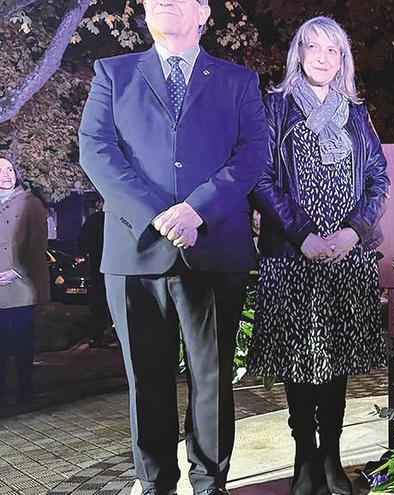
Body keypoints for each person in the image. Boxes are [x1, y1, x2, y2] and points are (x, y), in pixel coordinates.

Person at [78, 0, 267, 492]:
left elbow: (252, 155)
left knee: (213, 379)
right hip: (135, 250)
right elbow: (96, 149)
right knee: (147, 380)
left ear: (204, 11)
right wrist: (156, 214)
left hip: (214, 248)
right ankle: (155, 483)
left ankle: (210, 484)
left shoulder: (238, 81)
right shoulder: (112, 73)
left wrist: (197, 209)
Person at [247, 16, 389, 495]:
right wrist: (303, 234)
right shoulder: (276, 107)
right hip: (292, 255)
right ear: (299, 54)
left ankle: (332, 455)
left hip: (346, 256)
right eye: (314, 49)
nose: (323, 58)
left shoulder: (356, 113)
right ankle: (304, 457)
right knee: (300, 361)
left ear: (343, 59)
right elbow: (261, 179)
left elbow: (378, 180)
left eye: (334, 50)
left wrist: (354, 231)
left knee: (337, 360)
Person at [0, 155, 49, 404]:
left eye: (9, 169)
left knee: (22, 339)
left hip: (21, 286)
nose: (5, 175)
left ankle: (25, 387)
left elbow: (38, 243)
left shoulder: (31, 203)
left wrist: (16, 270)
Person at [79, 197, 111, 347]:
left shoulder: (93, 220)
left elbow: (83, 241)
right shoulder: (113, 219)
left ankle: (97, 336)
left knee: (98, 303)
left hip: (98, 266)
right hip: (110, 266)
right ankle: (110, 333)